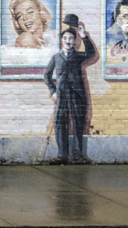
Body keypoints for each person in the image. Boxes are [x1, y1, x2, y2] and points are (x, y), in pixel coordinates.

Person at [43, 21, 98, 163]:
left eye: (71, 38)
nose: (68, 41)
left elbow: (91, 53)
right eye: (65, 38)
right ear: (61, 40)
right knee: (60, 124)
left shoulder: (78, 56)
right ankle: (62, 155)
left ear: (74, 41)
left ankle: (78, 155)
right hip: (61, 96)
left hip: (77, 95)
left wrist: (83, 35)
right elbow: (47, 76)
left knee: (78, 124)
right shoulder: (56, 58)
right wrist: (53, 91)